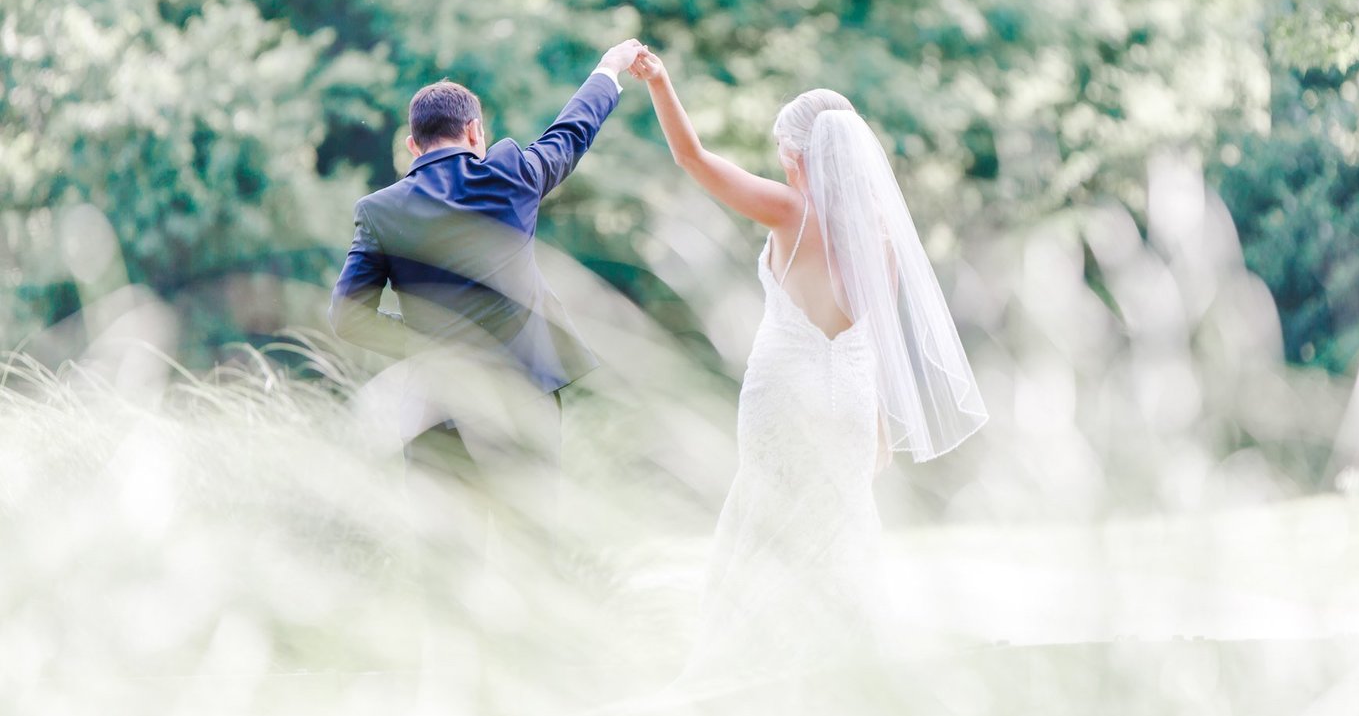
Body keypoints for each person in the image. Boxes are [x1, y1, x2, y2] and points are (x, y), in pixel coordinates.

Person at [628, 48, 989, 680]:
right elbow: (871, 336)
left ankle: (746, 674)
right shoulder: (881, 233)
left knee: (766, 524)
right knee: (842, 535)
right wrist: (877, 423)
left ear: (799, 154)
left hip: (784, 395)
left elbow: (693, 159)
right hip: (849, 400)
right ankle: (847, 675)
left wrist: (659, 82)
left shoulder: (791, 212)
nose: (779, 161)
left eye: (780, 149)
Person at [328, 38, 646, 554]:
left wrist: (431, 343)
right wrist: (609, 69)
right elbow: (571, 133)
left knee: (446, 561)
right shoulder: (509, 175)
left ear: (413, 144)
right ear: (475, 131)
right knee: (534, 546)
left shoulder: (380, 211)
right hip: (525, 394)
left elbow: (347, 318)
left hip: (438, 406)